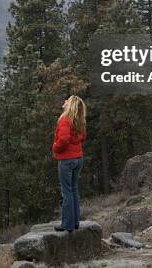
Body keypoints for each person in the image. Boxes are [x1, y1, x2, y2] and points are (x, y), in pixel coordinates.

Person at [52, 95, 87, 232]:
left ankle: (67, 224)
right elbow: (83, 137)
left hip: (66, 160)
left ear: (70, 105)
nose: (64, 101)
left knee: (66, 191)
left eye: (67, 100)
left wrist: (55, 147)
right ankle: (75, 222)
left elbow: (64, 139)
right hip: (78, 158)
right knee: (73, 189)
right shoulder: (79, 120)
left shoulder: (65, 120)